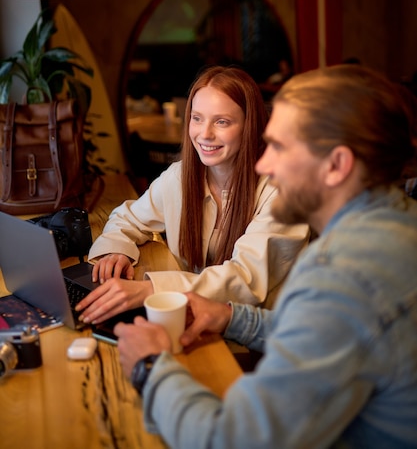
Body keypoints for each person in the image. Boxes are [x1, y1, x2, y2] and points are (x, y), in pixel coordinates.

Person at [114, 64, 417, 449]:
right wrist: (232, 317)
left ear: (337, 165)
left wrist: (150, 367)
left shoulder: (343, 278)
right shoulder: (396, 220)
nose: (262, 164)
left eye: (279, 147)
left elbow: (234, 441)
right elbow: (334, 335)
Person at [76, 65, 309, 325]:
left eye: (222, 121)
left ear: (249, 125)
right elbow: (126, 218)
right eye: (197, 118)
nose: (205, 134)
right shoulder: (181, 176)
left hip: (262, 337)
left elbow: (244, 279)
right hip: (198, 317)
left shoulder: (281, 194)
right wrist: (116, 252)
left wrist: (150, 289)